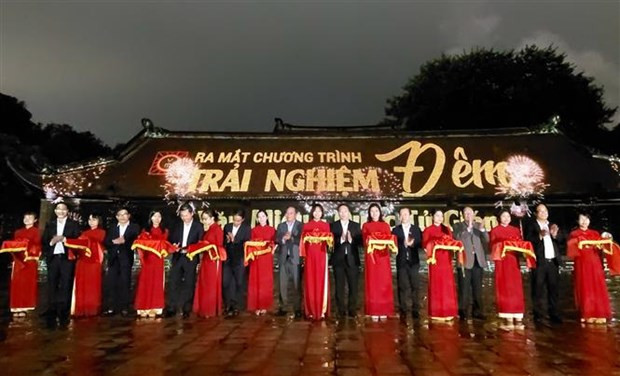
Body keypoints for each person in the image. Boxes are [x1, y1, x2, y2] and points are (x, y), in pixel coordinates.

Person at [567, 212, 612, 324]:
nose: (584, 221)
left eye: (586, 219)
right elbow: (571, 248)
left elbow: (601, 247)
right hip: (582, 263)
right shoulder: (574, 234)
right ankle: (587, 313)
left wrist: (602, 242)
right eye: (581, 219)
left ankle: (599, 312)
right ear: (578, 221)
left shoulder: (595, 233)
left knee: (597, 286)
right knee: (585, 286)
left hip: (595, 263)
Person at [490, 209, 533, 323]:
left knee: (516, 286)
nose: (506, 218)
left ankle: (518, 311)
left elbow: (520, 245)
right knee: (504, 286)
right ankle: (506, 312)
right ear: (499, 218)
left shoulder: (515, 230)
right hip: (502, 262)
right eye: (503, 216)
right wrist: (503, 244)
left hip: (514, 262)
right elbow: (493, 248)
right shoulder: (495, 230)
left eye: (508, 216)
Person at [41, 202, 80, 328]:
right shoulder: (50, 224)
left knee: (66, 283)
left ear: (67, 211)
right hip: (53, 258)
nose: (61, 211)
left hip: (66, 258)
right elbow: (44, 241)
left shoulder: (73, 224)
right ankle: (51, 308)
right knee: (52, 283)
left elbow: (77, 240)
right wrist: (52, 242)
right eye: (58, 209)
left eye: (64, 209)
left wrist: (64, 240)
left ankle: (64, 309)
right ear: (55, 211)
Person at [525, 203, 563, 324]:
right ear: (536, 213)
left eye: (545, 211)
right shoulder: (532, 226)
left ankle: (554, 313)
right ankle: (538, 315)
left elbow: (562, 241)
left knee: (554, 289)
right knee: (538, 289)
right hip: (539, 262)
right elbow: (528, 241)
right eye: (540, 211)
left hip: (552, 262)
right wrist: (539, 236)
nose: (544, 213)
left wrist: (555, 235)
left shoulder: (552, 225)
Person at [165, 203, 203, 318]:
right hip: (178, 256)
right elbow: (170, 240)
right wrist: (174, 245)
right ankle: (171, 307)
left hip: (190, 257)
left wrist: (191, 250)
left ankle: (187, 308)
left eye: (186, 215)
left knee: (189, 283)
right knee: (173, 281)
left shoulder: (198, 226)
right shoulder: (176, 225)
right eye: (182, 215)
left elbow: (200, 243)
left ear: (192, 214)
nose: (184, 218)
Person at [0, 212, 41, 316]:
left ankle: (27, 306)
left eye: (30, 218)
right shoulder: (18, 232)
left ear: (35, 220)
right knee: (17, 283)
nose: (27, 219)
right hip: (18, 261)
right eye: (25, 218)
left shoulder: (37, 232)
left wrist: (27, 245)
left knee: (28, 283)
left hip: (29, 261)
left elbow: (37, 246)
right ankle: (16, 307)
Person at [422, 209, 459, 322]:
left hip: (446, 261)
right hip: (435, 262)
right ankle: (436, 312)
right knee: (436, 285)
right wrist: (434, 243)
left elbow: (451, 242)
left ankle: (449, 311)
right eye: (437, 216)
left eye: (441, 216)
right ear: (433, 217)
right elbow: (425, 246)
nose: (439, 218)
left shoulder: (447, 229)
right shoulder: (428, 230)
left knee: (447, 286)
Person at [453, 207, 489, 321]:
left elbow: (486, 240)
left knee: (477, 288)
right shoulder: (458, 226)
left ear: (474, 214)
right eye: (466, 213)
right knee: (464, 288)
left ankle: (477, 311)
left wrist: (483, 230)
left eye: (470, 213)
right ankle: (463, 311)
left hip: (478, 260)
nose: (468, 215)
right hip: (464, 261)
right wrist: (467, 230)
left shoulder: (478, 226)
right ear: (463, 215)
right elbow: (456, 238)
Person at [103, 207, 140, 317]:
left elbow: (135, 240)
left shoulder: (134, 227)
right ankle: (112, 307)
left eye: (125, 214)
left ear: (129, 216)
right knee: (112, 282)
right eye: (120, 215)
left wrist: (125, 241)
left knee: (125, 282)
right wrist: (113, 241)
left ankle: (124, 307)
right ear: (117, 217)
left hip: (126, 257)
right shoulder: (113, 227)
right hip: (113, 258)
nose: (122, 217)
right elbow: (106, 241)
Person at [362, 203, 396, 321]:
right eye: (372, 211)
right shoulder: (366, 225)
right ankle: (374, 310)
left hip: (383, 257)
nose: (374, 213)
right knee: (373, 283)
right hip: (372, 258)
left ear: (380, 212)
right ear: (369, 213)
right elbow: (365, 241)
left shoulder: (385, 225)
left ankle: (384, 310)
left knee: (384, 283)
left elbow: (390, 239)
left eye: (376, 211)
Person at [300, 204, 333, 320]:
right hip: (309, 257)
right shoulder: (307, 225)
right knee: (310, 281)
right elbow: (302, 243)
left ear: (322, 213)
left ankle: (322, 310)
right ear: (312, 213)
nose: (317, 213)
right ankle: (310, 310)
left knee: (321, 281)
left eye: (319, 211)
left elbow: (330, 243)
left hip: (321, 256)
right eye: (315, 211)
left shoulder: (325, 225)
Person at [134, 210, 169, 318]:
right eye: (155, 216)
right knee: (146, 282)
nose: (157, 218)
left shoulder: (165, 231)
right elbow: (140, 244)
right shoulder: (145, 231)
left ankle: (156, 308)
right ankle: (143, 308)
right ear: (151, 218)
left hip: (158, 260)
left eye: (159, 216)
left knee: (157, 282)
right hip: (148, 260)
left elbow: (165, 245)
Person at [330, 203, 362, 318]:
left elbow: (361, 243)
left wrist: (351, 239)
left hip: (352, 259)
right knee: (339, 286)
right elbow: (330, 243)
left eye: (345, 211)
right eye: (341, 211)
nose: (343, 213)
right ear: (338, 213)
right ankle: (341, 310)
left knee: (353, 286)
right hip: (338, 260)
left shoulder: (356, 226)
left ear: (349, 213)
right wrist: (341, 239)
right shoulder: (333, 226)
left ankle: (352, 309)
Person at [193, 209, 227, 317]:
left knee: (211, 285)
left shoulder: (217, 230)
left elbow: (219, 246)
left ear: (212, 218)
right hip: (206, 260)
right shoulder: (208, 230)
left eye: (206, 219)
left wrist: (208, 246)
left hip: (213, 260)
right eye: (203, 219)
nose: (204, 221)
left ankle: (210, 310)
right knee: (205, 284)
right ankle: (204, 308)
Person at [72, 213, 105, 317]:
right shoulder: (84, 233)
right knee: (81, 284)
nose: (91, 221)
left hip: (94, 262)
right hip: (82, 262)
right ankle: (81, 308)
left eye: (94, 219)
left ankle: (92, 309)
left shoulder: (102, 232)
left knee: (92, 285)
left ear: (99, 221)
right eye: (90, 219)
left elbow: (96, 244)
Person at [392, 207, 422, 320]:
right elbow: (392, 245)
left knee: (415, 286)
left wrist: (413, 244)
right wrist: (403, 244)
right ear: (399, 217)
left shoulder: (416, 229)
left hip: (414, 261)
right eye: (402, 214)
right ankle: (403, 309)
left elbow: (420, 243)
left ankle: (415, 309)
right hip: (402, 261)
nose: (404, 216)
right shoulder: (395, 230)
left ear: (410, 215)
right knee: (402, 286)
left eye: (406, 214)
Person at [246, 210, 276, 315]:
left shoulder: (272, 230)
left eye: (263, 216)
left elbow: (274, 244)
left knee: (265, 282)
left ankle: (265, 306)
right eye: (259, 217)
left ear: (267, 217)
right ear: (257, 219)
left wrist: (272, 247)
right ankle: (256, 306)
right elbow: (250, 244)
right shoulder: (254, 230)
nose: (262, 218)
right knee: (256, 281)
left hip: (267, 259)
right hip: (256, 258)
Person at [275, 206, 303, 318]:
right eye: (287, 213)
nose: (289, 215)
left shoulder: (300, 225)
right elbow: (277, 239)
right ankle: (283, 307)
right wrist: (283, 239)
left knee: (297, 284)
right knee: (282, 284)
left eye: (291, 213)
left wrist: (291, 238)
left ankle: (297, 308)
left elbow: (301, 239)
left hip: (295, 258)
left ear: (295, 214)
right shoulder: (281, 226)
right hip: (283, 258)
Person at [222, 209, 251, 317]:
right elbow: (223, 242)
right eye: (234, 220)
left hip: (239, 258)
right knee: (226, 282)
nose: (236, 222)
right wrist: (228, 241)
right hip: (228, 258)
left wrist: (235, 240)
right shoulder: (227, 227)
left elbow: (247, 243)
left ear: (242, 220)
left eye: (238, 220)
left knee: (239, 282)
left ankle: (236, 306)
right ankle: (228, 305)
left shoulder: (246, 229)